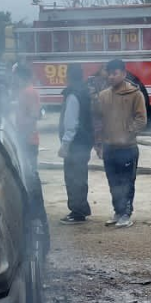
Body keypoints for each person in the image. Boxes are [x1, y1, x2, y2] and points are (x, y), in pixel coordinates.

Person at [93, 58, 147, 228]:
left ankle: (126, 214)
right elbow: (98, 121)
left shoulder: (135, 94)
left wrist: (127, 132)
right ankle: (117, 211)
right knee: (113, 182)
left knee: (127, 182)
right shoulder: (103, 96)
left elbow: (141, 119)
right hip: (110, 148)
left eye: (115, 73)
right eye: (109, 73)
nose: (111, 77)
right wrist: (99, 143)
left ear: (123, 74)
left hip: (127, 148)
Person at [58, 64, 94, 225]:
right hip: (84, 141)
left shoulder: (73, 95)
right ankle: (82, 209)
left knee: (73, 177)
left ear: (69, 77)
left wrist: (65, 144)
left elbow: (71, 123)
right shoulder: (85, 92)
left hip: (75, 143)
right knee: (81, 175)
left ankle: (77, 212)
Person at [13, 63, 42, 176]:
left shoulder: (29, 92)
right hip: (26, 138)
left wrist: (23, 136)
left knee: (30, 174)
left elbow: (34, 116)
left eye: (16, 77)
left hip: (28, 140)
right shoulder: (24, 91)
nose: (14, 80)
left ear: (21, 77)